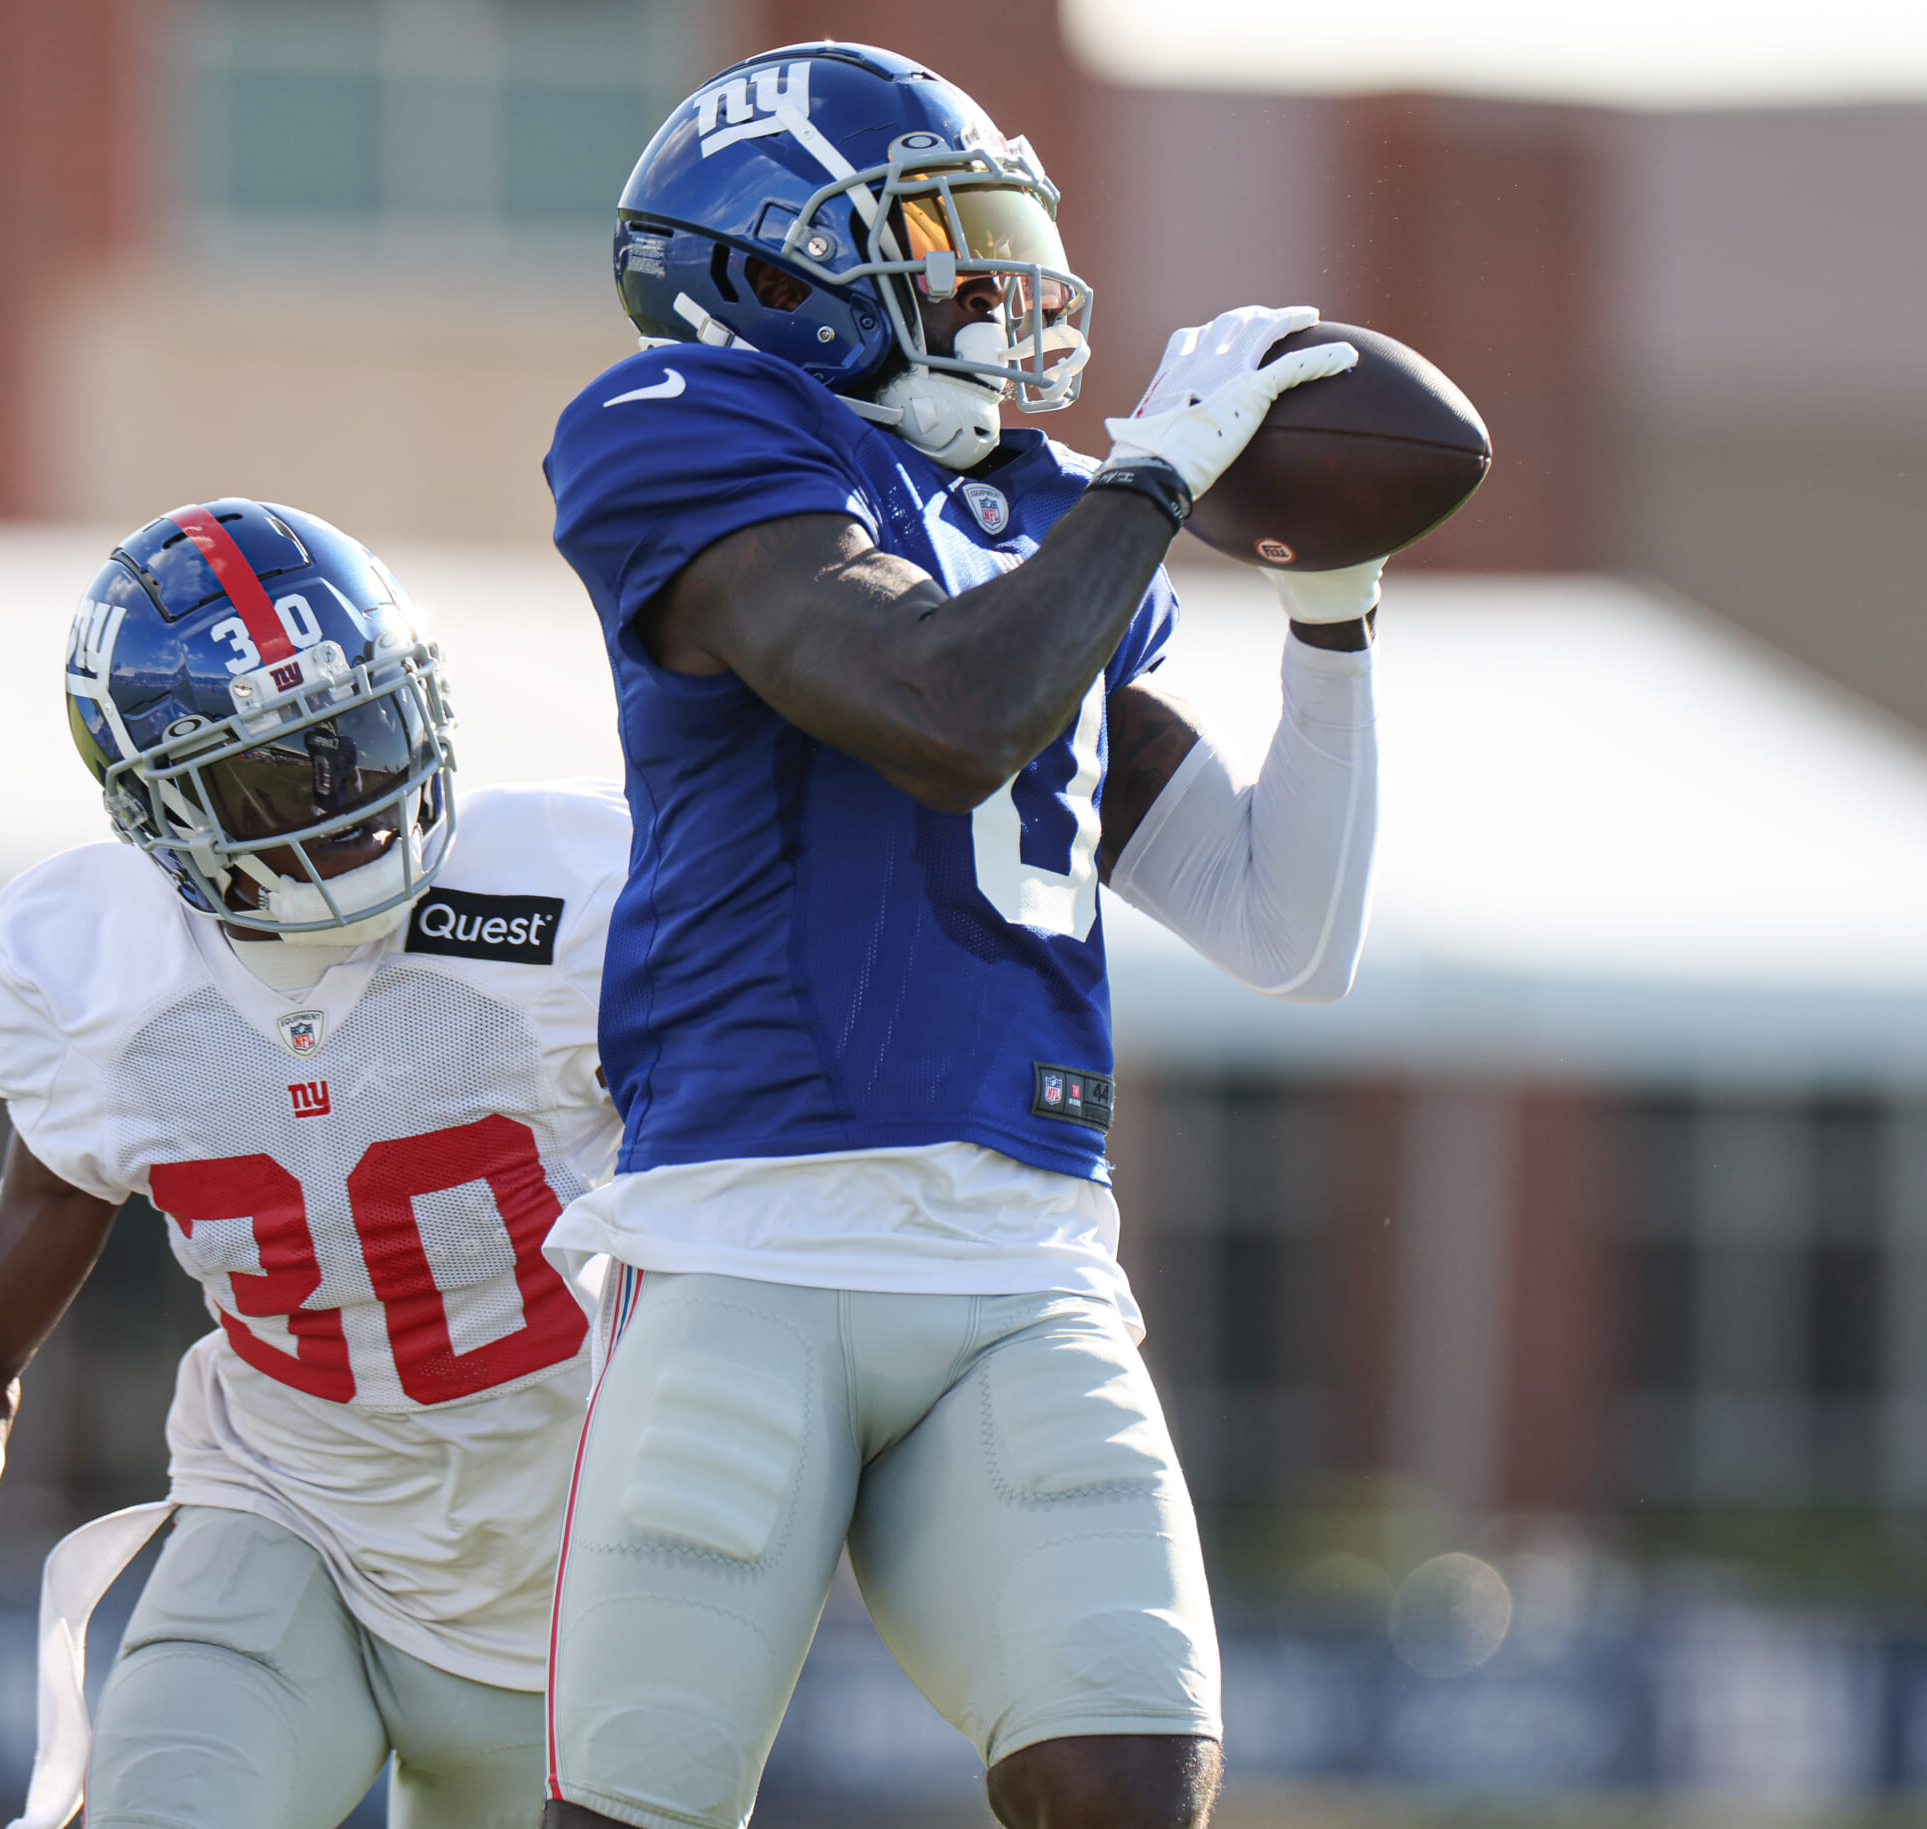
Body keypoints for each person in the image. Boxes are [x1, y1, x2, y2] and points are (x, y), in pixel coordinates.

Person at [538, 42, 1384, 1829]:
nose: (996, 287)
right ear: (772, 272)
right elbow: (942, 709)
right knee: (637, 1810)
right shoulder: (684, 423)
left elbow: (1281, 926)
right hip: (748, 1239)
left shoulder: (1044, 510)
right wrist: (1148, 487)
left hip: (1024, 1264)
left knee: (1127, 1779)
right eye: (939, 236)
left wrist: (1331, 617)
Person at [0, 499, 629, 1829]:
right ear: (160, 811)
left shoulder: (579, 890)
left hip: (585, 1569)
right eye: (276, 772)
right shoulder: (103, 976)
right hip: (291, 1523)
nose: (350, 794)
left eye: (361, 728)